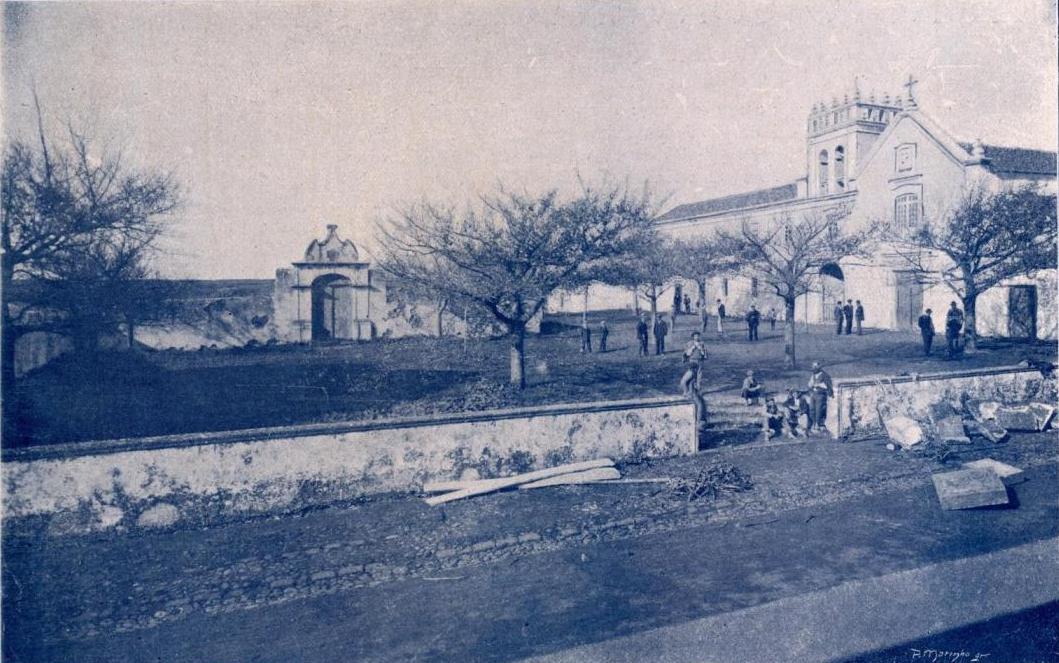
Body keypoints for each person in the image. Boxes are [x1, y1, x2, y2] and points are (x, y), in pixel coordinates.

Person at [807, 361, 834, 434]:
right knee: (812, 409)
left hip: (820, 394)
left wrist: (819, 385)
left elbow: (828, 386)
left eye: (815, 366)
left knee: (818, 409)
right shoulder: (813, 375)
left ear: (819, 367)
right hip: (813, 394)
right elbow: (810, 384)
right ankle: (814, 423)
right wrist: (810, 386)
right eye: (813, 366)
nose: (814, 368)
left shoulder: (824, 375)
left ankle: (818, 425)